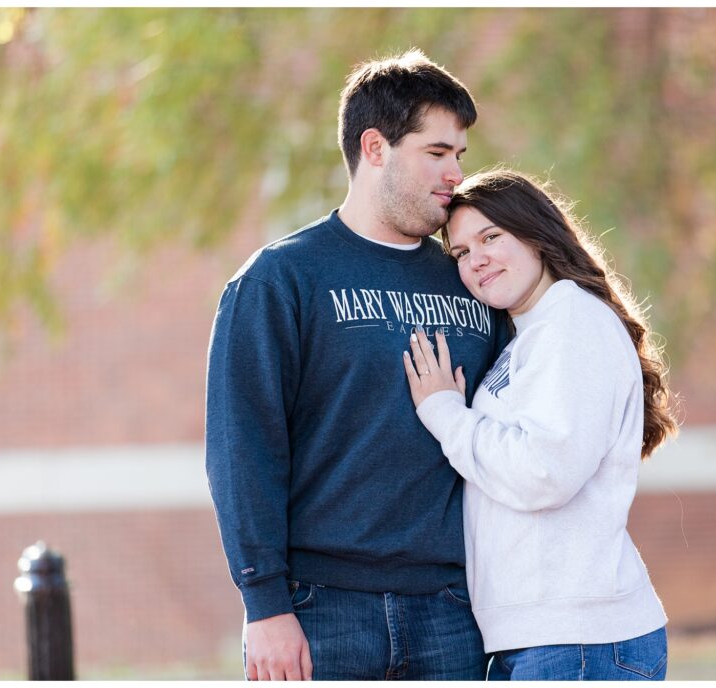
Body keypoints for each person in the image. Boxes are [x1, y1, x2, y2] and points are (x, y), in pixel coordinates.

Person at [205, 50, 509, 681]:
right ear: (375, 147)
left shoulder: (474, 278)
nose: (456, 173)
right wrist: (264, 605)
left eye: (460, 155)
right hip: (319, 610)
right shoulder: (279, 281)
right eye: (436, 152)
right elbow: (244, 448)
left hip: (456, 608)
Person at [402, 169, 678, 680]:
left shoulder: (572, 321)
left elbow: (545, 472)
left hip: (578, 639)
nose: (475, 259)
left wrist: (444, 413)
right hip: (545, 637)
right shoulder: (533, 332)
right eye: (460, 253)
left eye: (490, 237)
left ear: (535, 233)